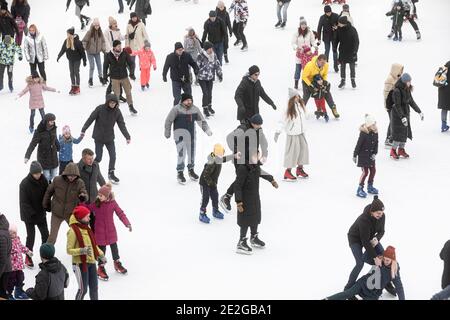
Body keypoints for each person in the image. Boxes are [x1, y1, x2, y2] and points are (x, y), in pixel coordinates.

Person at [344, 196, 397, 297]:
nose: (381, 215)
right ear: (372, 212)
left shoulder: (382, 216)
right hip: (355, 238)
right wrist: (374, 257)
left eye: (381, 213)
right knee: (360, 263)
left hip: (370, 237)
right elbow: (364, 242)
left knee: (384, 256)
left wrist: (377, 238)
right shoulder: (363, 220)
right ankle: (348, 289)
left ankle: (386, 283)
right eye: (378, 213)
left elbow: (382, 231)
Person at [220, 114, 270, 212]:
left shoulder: (259, 129)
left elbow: (264, 142)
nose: (259, 127)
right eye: (257, 125)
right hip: (240, 158)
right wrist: (236, 151)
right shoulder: (242, 128)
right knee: (241, 178)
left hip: (251, 158)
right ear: (252, 123)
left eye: (260, 125)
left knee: (245, 178)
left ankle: (238, 199)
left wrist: (265, 154)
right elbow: (229, 138)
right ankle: (226, 197)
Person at [83, 183, 131, 280]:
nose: (98, 196)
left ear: (107, 196)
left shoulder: (113, 203)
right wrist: (81, 202)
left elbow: (120, 213)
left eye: (101, 195)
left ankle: (117, 263)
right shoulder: (97, 203)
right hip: (100, 232)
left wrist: (127, 223)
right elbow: (86, 209)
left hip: (110, 231)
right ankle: (100, 268)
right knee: (102, 251)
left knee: (114, 248)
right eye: (98, 195)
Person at [234, 150, 278, 254]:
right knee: (245, 220)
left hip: (254, 198)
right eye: (255, 156)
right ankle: (241, 242)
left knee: (255, 217)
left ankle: (254, 237)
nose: (258, 158)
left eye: (258, 156)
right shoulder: (243, 168)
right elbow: (237, 186)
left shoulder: (255, 166)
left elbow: (262, 173)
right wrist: (239, 202)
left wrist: (271, 180)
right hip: (244, 200)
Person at [81, 94, 131, 184]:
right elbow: (91, 118)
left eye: (114, 103)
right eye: (111, 103)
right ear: (107, 102)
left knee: (113, 155)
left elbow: (121, 124)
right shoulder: (100, 109)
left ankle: (111, 173)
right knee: (99, 157)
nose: (112, 104)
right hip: (99, 137)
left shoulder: (117, 111)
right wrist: (83, 129)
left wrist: (127, 136)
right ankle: (90, 170)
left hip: (109, 138)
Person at [164, 93, 212, 184]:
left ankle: (191, 170)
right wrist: (167, 132)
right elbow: (168, 121)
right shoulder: (176, 109)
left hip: (191, 136)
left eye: (190, 100)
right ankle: (180, 172)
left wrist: (207, 130)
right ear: (182, 101)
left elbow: (202, 121)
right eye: (187, 100)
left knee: (192, 153)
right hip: (179, 136)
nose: (189, 102)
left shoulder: (195, 109)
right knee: (181, 154)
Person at [327, 246, 405, 300]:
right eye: (384, 259)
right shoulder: (380, 261)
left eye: (387, 260)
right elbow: (364, 258)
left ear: (393, 260)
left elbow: (399, 287)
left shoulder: (394, 271)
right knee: (348, 293)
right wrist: (372, 250)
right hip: (364, 282)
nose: (385, 261)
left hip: (374, 293)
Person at [66, 206, 106, 300]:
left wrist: (101, 255)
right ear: (80, 217)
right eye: (87, 216)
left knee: (94, 288)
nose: (89, 218)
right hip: (79, 264)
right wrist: (81, 250)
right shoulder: (72, 231)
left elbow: (94, 246)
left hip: (91, 262)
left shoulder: (87, 229)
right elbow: (69, 250)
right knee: (83, 290)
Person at [43, 163, 87, 245]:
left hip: (70, 214)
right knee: (53, 236)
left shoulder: (79, 183)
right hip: (57, 213)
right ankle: (46, 254)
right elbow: (49, 192)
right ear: (65, 173)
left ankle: (80, 253)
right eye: (69, 175)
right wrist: (46, 204)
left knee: (77, 233)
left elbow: (84, 193)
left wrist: (83, 196)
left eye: (74, 176)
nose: (71, 178)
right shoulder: (57, 180)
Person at [274, 88, 309, 181]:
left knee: (303, 151)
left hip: (301, 132)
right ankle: (288, 171)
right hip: (292, 134)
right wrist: (278, 131)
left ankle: (300, 169)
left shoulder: (300, 105)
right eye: (296, 96)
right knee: (293, 152)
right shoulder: (288, 108)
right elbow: (282, 121)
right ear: (292, 98)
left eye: (298, 96)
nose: (298, 97)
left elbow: (304, 116)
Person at [19, 161, 49, 268]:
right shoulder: (24, 184)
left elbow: (47, 194)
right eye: (36, 173)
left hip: (40, 212)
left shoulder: (44, 180)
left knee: (45, 234)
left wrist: (48, 206)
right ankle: (28, 256)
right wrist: (33, 213)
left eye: (39, 173)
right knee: (31, 236)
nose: (38, 175)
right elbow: (24, 202)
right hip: (29, 215)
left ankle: (45, 255)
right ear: (31, 173)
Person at [389, 73, 423, 160]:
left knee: (404, 133)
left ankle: (401, 150)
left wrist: (419, 111)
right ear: (404, 82)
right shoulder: (397, 91)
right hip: (397, 115)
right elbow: (397, 105)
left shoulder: (407, 89)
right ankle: (393, 150)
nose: (410, 83)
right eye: (408, 81)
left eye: (410, 81)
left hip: (405, 113)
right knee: (397, 135)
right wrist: (402, 117)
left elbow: (411, 101)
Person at [198, 144, 236, 224]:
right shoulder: (211, 161)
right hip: (205, 183)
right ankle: (202, 214)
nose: (220, 155)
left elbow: (224, 159)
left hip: (212, 183)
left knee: (215, 196)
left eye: (221, 153)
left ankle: (215, 211)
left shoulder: (218, 158)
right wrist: (211, 183)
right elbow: (205, 175)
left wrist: (233, 156)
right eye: (218, 153)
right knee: (206, 198)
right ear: (215, 153)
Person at [103, 40, 138, 114]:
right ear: (114, 47)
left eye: (120, 45)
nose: (120, 47)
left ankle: (131, 106)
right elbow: (105, 66)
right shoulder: (109, 55)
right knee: (117, 94)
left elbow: (131, 63)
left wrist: (131, 73)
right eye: (118, 46)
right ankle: (115, 109)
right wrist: (105, 77)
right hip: (114, 78)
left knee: (128, 92)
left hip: (124, 76)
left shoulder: (124, 53)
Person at [301, 54, 340, 118]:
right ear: (318, 60)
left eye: (324, 62)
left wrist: (323, 83)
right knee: (306, 96)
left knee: (326, 92)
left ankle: (333, 107)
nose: (323, 64)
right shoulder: (309, 65)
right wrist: (310, 85)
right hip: (308, 81)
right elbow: (304, 77)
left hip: (318, 81)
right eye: (322, 62)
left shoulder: (326, 65)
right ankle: (300, 110)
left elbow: (325, 74)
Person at [24, 113, 60, 182]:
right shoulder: (39, 131)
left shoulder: (54, 128)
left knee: (53, 175)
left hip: (53, 156)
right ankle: (47, 189)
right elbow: (32, 144)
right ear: (46, 121)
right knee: (46, 177)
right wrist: (27, 156)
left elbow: (54, 138)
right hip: (44, 157)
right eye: (51, 121)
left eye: (53, 121)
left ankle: (50, 186)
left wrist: (58, 147)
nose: (53, 123)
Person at [162, 42, 199, 106]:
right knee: (177, 98)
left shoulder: (187, 55)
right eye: (179, 50)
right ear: (175, 50)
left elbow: (193, 63)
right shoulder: (170, 57)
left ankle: (189, 110)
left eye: (182, 49)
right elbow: (166, 67)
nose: (181, 51)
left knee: (189, 96)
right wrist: (164, 75)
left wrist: (196, 69)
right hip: (176, 80)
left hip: (185, 79)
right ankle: (176, 111)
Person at [353, 114, 379, 198]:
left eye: (375, 124)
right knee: (365, 172)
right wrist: (355, 155)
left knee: (373, 171)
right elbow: (358, 144)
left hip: (371, 156)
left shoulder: (375, 133)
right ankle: (360, 188)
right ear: (368, 126)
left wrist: (375, 153)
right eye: (373, 125)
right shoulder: (363, 134)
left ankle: (370, 186)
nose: (375, 126)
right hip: (363, 156)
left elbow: (376, 144)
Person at [56, 27, 87, 95]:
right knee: (71, 73)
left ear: (71, 34)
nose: (67, 35)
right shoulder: (66, 41)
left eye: (68, 34)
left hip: (77, 60)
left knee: (76, 72)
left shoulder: (78, 42)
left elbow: (82, 52)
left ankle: (77, 87)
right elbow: (63, 49)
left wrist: (85, 61)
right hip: (70, 59)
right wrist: (59, 56)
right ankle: (73, 86)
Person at [196, 41, 223, 118]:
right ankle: (205, 109)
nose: (211, 50)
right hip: (202, 78)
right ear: (206, 49)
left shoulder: (214, 55)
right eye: (209, 48)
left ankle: (209, 106)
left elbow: (217, 65)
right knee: (205, 93)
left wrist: (219, 74)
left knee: (210, 93)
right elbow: (196, 66)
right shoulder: (200, 56)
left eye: (211, 48)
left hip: (210, 77)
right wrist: (197, 73)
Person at [103, 18, 126, 102]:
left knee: (119, 75)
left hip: (117, 53)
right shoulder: (107, 31)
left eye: (116, 23)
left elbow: (120, 38)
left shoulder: (117, 31)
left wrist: (126, 36)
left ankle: (119, 95)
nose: (115, 24)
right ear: (110, 24)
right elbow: (106, 42)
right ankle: (108, 95)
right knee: (113, 76)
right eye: (114, 23)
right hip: (110, 54)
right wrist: (112, 51)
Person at [7, 224, 32, 299]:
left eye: (14, 232)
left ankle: (18, 292)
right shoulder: (7, 241)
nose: (12, 234)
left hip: (19, 266)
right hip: (12, 267)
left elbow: (21, 247)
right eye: (10, 232)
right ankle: (8, 294)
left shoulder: (17, 240)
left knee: (21, 277)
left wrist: (27, 251)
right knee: (11, 281)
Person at [291, 17, 317, 90]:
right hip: (300, 54)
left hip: (308, 54)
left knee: (308, 69)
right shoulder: (296, 33)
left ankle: (308, 82)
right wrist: (297, 47)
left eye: (304, 24)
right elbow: (293, 43)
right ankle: (296, 82)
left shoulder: (310, 32)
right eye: (302, 24)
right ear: (300, 25)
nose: (303, 26)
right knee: (298, 68)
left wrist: (315, 46)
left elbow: (313, 41)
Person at [335, 16, 359, 89]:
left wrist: (355, 51)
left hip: (351, 51)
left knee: (352, 67)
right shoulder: (339, 29)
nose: (338, 24)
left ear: (344, 23)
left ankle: (353, 80)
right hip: (342, 50)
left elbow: (356, 41)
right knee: (342, 66)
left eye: (339, 23)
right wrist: (334, 47)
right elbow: (336, 39)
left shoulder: (352, 30)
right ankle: (343, 80)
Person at [383, 63, 404, 146]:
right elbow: (386, 94)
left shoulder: (396, 78)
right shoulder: (390, 79)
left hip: (394, 104)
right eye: (400, 70)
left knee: (393, 121)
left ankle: (392, 138)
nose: (401, 72)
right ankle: (388, 139)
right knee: (392, 121)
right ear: (396, 70)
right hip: (390, 105)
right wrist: (390, 105)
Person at [82, 18, 106, 88]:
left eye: (98, 25)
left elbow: (103, 41)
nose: (97, 27)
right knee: (92, 66)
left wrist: (104, 50)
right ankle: (90, 79)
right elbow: (84, 41)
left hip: (97, 52)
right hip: (90, 52)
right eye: (95, 25)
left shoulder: (100, 32)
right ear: (93, 25)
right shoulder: (89, 32)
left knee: (99, 65)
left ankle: (101, 78)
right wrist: (84, 47)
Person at [317, 5, 339, 73]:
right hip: (326, 37)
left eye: (330, 12)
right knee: (327, 51)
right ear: (325, 12)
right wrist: (319, 38)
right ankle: (324, 66)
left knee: (334, 51)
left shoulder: (336, 15)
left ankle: (336, 66)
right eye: (327, 12)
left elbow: (340, 24)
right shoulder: (322, 18)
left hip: (334, 36)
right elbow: (319, 28)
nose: (329, 13)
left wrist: (337, 27)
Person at [434, 61, 450, 132]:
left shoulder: (443, 70)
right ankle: (444, 126)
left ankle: (443, 125)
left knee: (444, 108)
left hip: (443, 93)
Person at [0, 212, 12, 300]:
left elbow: (2, 259)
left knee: (2, 294)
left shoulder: (1, 235)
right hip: (4, 269)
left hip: (3, 270)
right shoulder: (3, 229)